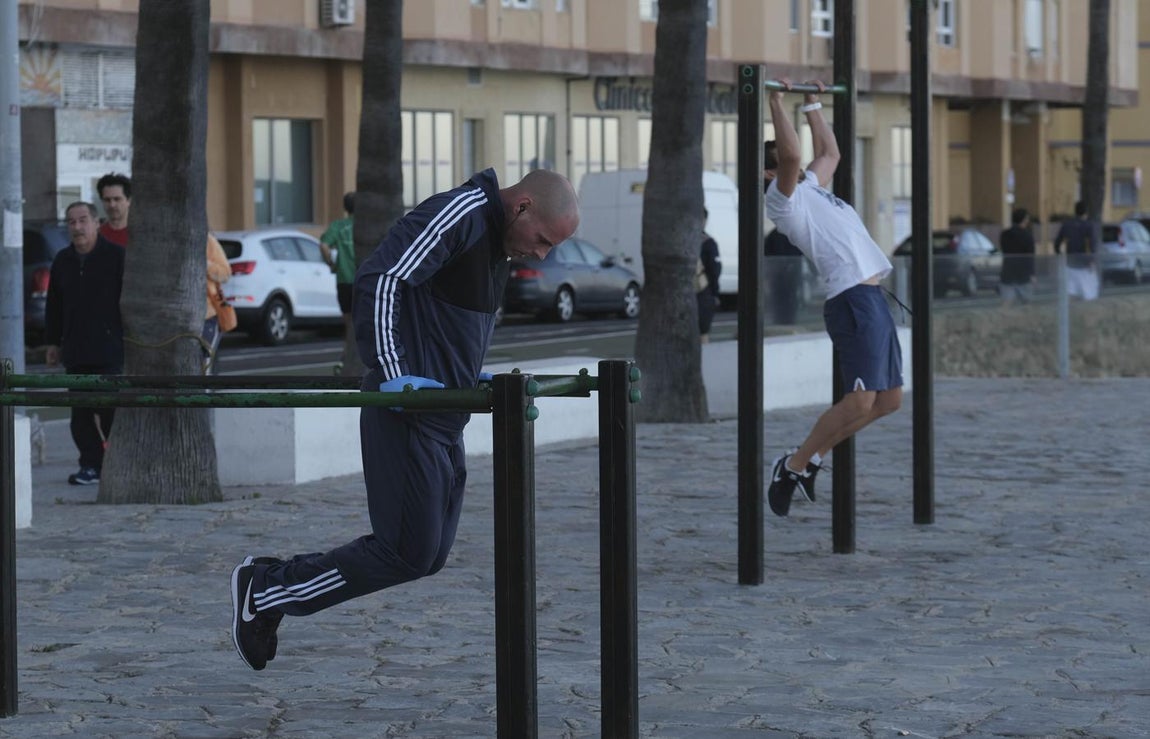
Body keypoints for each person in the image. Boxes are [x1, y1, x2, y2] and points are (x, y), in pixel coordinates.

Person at [229, 168, 580, 671]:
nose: (542, 255)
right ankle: (265, 590)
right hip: (407, 412)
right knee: (407, 552)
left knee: (429, 555)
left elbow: (445, 321)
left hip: (445, 417)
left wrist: (469, 375)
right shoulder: (459, 213)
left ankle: (268, 585)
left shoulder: (497, 245)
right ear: (522, 206)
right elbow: (383, 277)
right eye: (543, 240)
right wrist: (393, 374)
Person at [762, 79, 902, 518]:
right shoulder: (783, 202)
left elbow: (831, 155)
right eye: (780, 166)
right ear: (770, 174)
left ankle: (811, 460)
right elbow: (792, 155)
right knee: (860, 400)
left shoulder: (812, 189)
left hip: (873, 296)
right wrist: (775, 101)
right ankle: (792, 464)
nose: (793, 168)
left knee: (889, 401)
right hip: (850, 301)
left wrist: (812, 105)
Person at [43, 202, 126, 486]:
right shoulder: (62, 261)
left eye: (82, 221)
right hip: (76, 351)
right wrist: (53, 343)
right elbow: (54, 305)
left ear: (95, 223)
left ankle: (116, 464)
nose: (77, 227)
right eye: (71, 222)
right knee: (80, 414)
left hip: (109, 349)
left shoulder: (116, 257)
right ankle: (90, 465)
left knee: (110, 411)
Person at [320, 191, 357, 361]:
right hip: (362, 279)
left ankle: (347, 351)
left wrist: (331, 263)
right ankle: (354, 352)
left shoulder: (338, 226)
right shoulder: (366, 226)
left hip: (343, 279)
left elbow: (324, 245)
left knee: (348, 319)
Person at [1053, 201, 1099, 301]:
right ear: (1086, 213)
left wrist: (1060, 254)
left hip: (1070, 263)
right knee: (1088, 293)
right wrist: (1092, 260)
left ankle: (1069, 314)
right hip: (1085, 264)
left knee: (1070, 291)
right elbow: (1092, 245)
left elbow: (1057, 243)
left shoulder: (1067, 225)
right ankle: (1084, 314)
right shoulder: (1089, 226)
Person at [203, 232, 232, 374]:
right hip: (177, 318)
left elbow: (226, 272)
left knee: (206, 363)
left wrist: (206, 264)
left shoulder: (208, 241)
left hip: (208, 316)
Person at [764, 226, 804, 325]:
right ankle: (788, 321)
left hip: (780, 276)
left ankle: (781, 321)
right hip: (789, 274)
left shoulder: (774, 235)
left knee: (780, 300)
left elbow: (767, 253)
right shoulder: (793, 234)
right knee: (789, 300)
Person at [998, 207, 1037, 305]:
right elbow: (1030, 257)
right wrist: (1032, 274)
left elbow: (1004, 249)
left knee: (1006, 302)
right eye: (1027, 219)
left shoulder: (1005, 234)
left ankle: (1003, 319)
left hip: (1007, 272)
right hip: (1023, 274)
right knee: (1026, 302)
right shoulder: (1027, 236)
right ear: (1024, 220)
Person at [697, 208, 721, 342]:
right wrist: (715, 294)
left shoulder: (679, 240)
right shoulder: (707, 242)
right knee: (703, 333)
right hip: (702, 291)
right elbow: (714, 270)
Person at [95, 172, 132, 247]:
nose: (112, 205)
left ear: (129, 200)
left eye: (117, 199)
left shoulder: (142, 234)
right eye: (107, 200)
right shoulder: (95, 236)